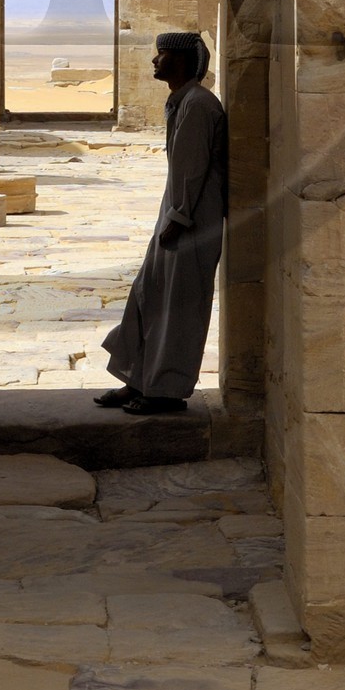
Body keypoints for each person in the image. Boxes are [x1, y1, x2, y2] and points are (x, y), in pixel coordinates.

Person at [95, 30, 228, 415]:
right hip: (174, 214)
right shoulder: (183, 101)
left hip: (190, 221)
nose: (155, 61)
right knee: (147, 295)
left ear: (183, 61)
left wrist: (179, 217)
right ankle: (136, 377)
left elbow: (192, 169)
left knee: (179, 306)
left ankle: (166, 390)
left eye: (162, 54)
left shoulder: (199, 106)